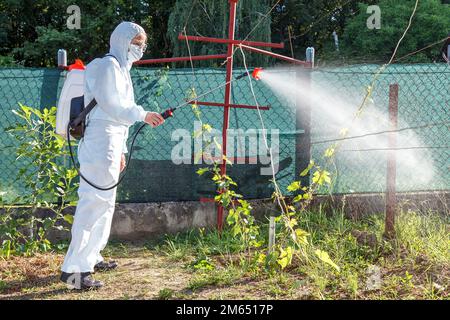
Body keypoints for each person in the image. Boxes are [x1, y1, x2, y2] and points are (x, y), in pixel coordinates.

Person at [60, 21, 165, 290]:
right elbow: (113, 106)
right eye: (137, 42)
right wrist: (143, 114)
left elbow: (119, 118)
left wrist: (122, 150)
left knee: (105, 205)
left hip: (111, 142)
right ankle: (74, 270)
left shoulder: (122, 69)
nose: (141, 48)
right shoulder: (105, 66)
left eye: (142, 43)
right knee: (92, 203)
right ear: (122, 41)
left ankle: (91, 256)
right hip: (99, 143)